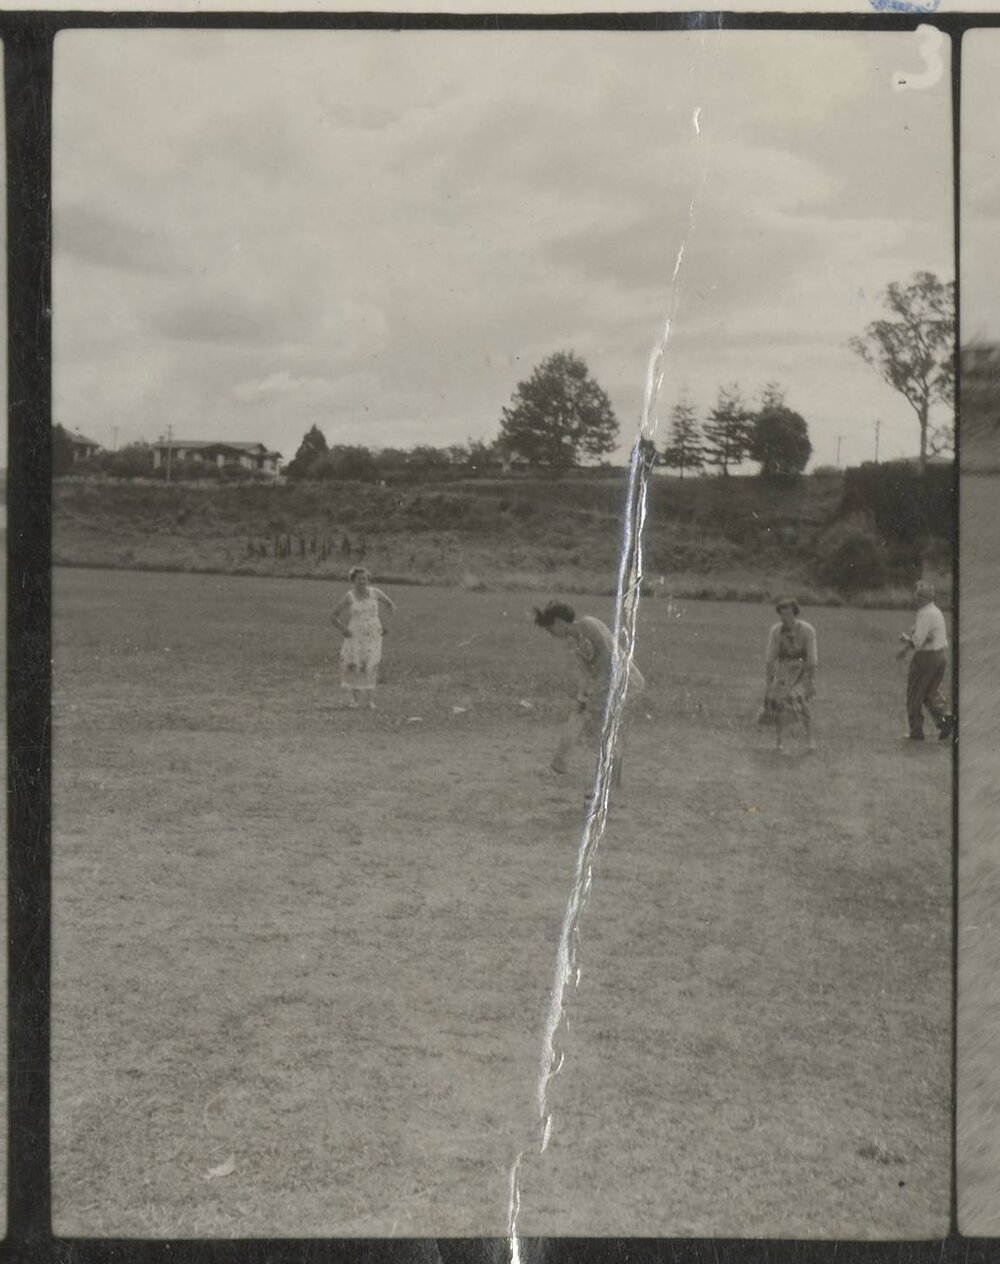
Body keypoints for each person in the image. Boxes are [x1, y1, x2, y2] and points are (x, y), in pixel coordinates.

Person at [533, 600, 644, 791]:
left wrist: (594, 691)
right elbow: (588, 672)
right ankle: (609, 781)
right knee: (603, 729)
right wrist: (584, 693)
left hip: (627, 682)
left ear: (559, 622)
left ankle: (609, 783)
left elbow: (608, 658)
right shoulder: (573, 644)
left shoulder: (588, 624)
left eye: (551, 629)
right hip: (609, 684)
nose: (551, 635)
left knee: (609, 730)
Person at [896, 580, 953, 741]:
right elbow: (929, 637)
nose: (916, 599)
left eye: (918, 596)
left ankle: (916, 731)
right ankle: (946, 721)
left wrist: (905, 643)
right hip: (940, 656)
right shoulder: (937, 612)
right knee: (931, 694)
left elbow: (918, 641)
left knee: (914, 693)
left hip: (926, 658)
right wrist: (910, 641)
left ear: (925, 598)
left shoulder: (924, 613)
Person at [332, 567, 395, 709]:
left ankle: (369, 701)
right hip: (355, 634)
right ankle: (355, 700)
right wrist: (343, 629)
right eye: (359, 578)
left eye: (365, 578)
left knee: (370, 664)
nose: (362, 581)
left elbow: (390, 605)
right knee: (355, 663)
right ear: (353, 580)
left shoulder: (375, 593)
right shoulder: (349, 596)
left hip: (373, 633)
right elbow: (333, 615)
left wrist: (386, 624)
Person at [759, 598, 818, 752]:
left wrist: (810, 681)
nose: (784, 618)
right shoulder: (775, 631)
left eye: (788, 614)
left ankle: (810, 740)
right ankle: (779, 742)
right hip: (782, 670)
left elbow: (812, 658)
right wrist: (769, 682)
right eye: (781, 614)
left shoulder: (807, 630)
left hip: (801, 670)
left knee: (801, 703)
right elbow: (771, 658)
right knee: (779, 704)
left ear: (795, 614)